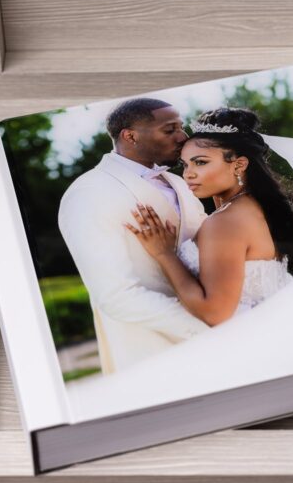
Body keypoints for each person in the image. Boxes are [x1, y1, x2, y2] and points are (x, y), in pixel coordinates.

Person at [58, 97, 210, 374]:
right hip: (151, 352)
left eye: (181, 127)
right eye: (170, 129)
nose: (183, 136)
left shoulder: (180, 181)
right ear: (131, 136)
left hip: (215, 338)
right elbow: (117, 296)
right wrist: (207, 328)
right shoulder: (88, 194)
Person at [125, 107, 293, 325]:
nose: (188, 173)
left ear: (239, 165)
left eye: (200, 162)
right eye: (185, 164)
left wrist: (164, 254)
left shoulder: (225, 222)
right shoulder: (253, 206)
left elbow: (214, 313)